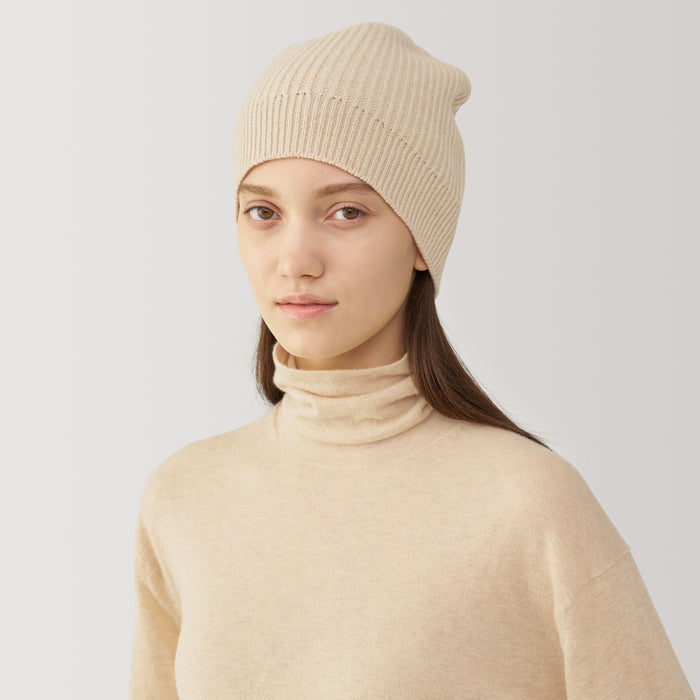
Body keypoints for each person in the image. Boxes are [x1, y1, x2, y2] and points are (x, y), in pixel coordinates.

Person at [129, 22, 694, 699]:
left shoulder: (530, 505)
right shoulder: (184, 497)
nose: (295, 261)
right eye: (263, 212)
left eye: (346, 212)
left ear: (423, 237)